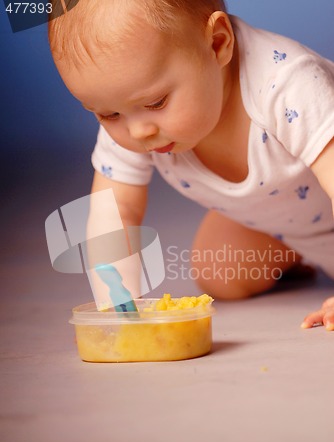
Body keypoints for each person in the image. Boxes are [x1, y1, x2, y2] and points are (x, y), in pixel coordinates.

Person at [48, 0, 334, 330]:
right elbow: (115, 209)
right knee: (219, 271)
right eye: (107, 114)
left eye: (156, 103)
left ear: (217, 43)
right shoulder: (130, 108)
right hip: (293, 222)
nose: (138, 131)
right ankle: (292, 254)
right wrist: (119, 308)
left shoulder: (287, 86)